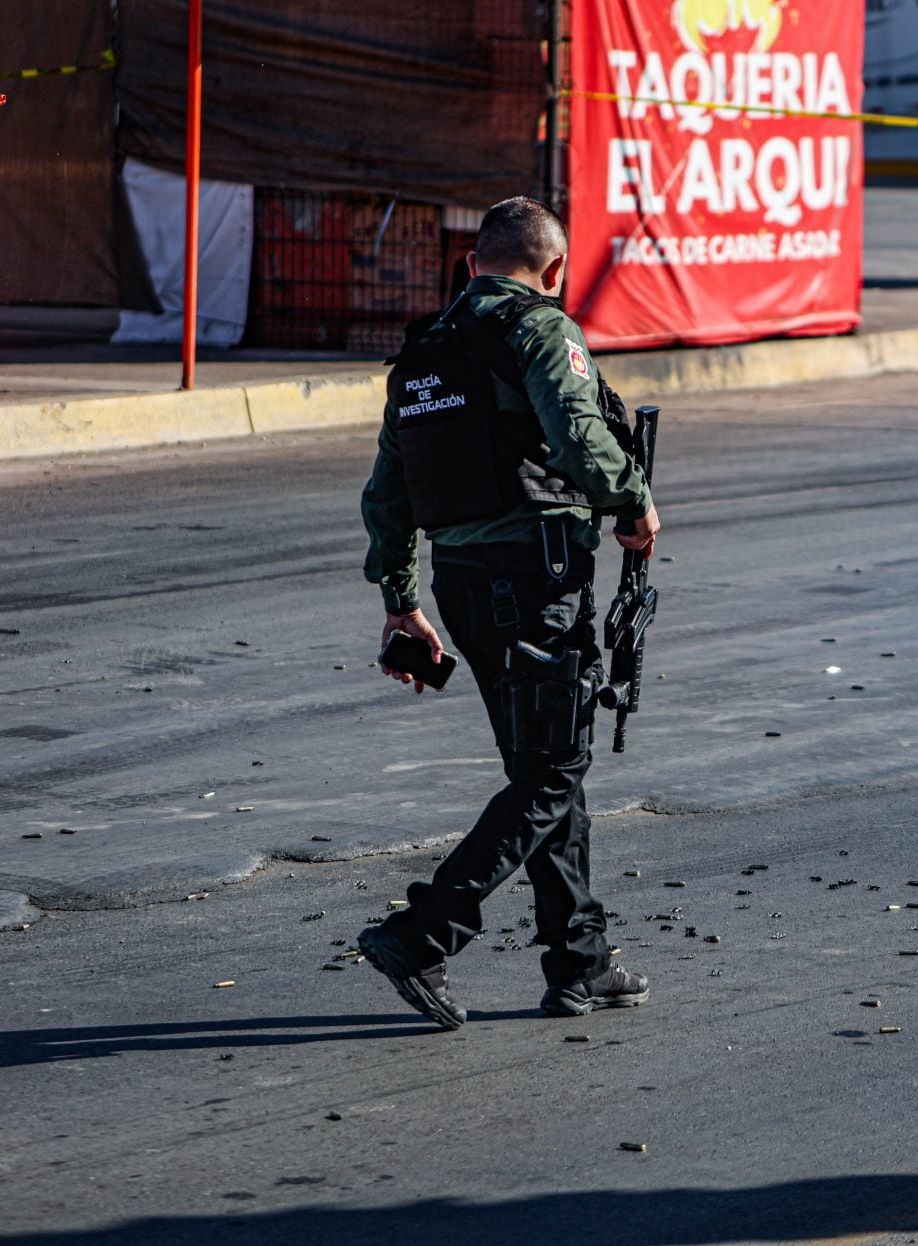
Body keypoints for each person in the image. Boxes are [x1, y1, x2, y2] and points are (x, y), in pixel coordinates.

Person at [356, 197, 662, 1030]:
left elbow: (387, 495)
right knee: (553, 770)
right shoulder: (539, 330)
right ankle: (423, 934)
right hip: (536, 580)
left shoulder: (423, 353)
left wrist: (402, 605)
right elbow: (574, 433)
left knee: (543, 768)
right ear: (555, 270)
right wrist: (632, 502)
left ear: (470, 265)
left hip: (460, 585)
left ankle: (580, 961)